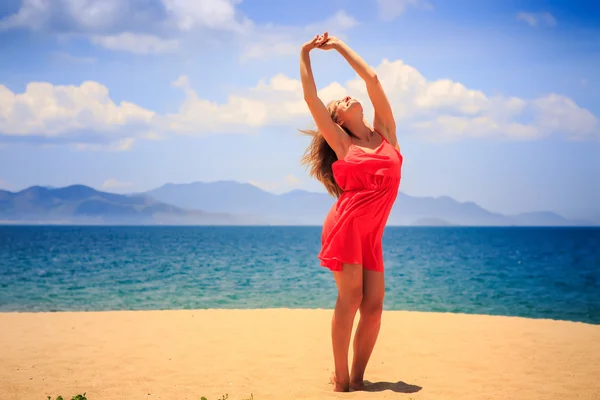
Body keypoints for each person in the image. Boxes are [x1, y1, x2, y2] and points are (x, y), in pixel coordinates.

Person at [299, 32, 403, 392]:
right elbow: (311, 99)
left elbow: (372, 80)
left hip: (372, 235)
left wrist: (340, 45)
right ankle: (342, 379)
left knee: (373, 308)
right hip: (345, 227)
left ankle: (359, 378)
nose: (347, 96)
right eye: (339, 102)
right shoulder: (343, 143)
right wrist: (305, 53)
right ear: (338, 121)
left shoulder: (386, 134)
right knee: (352, 298)